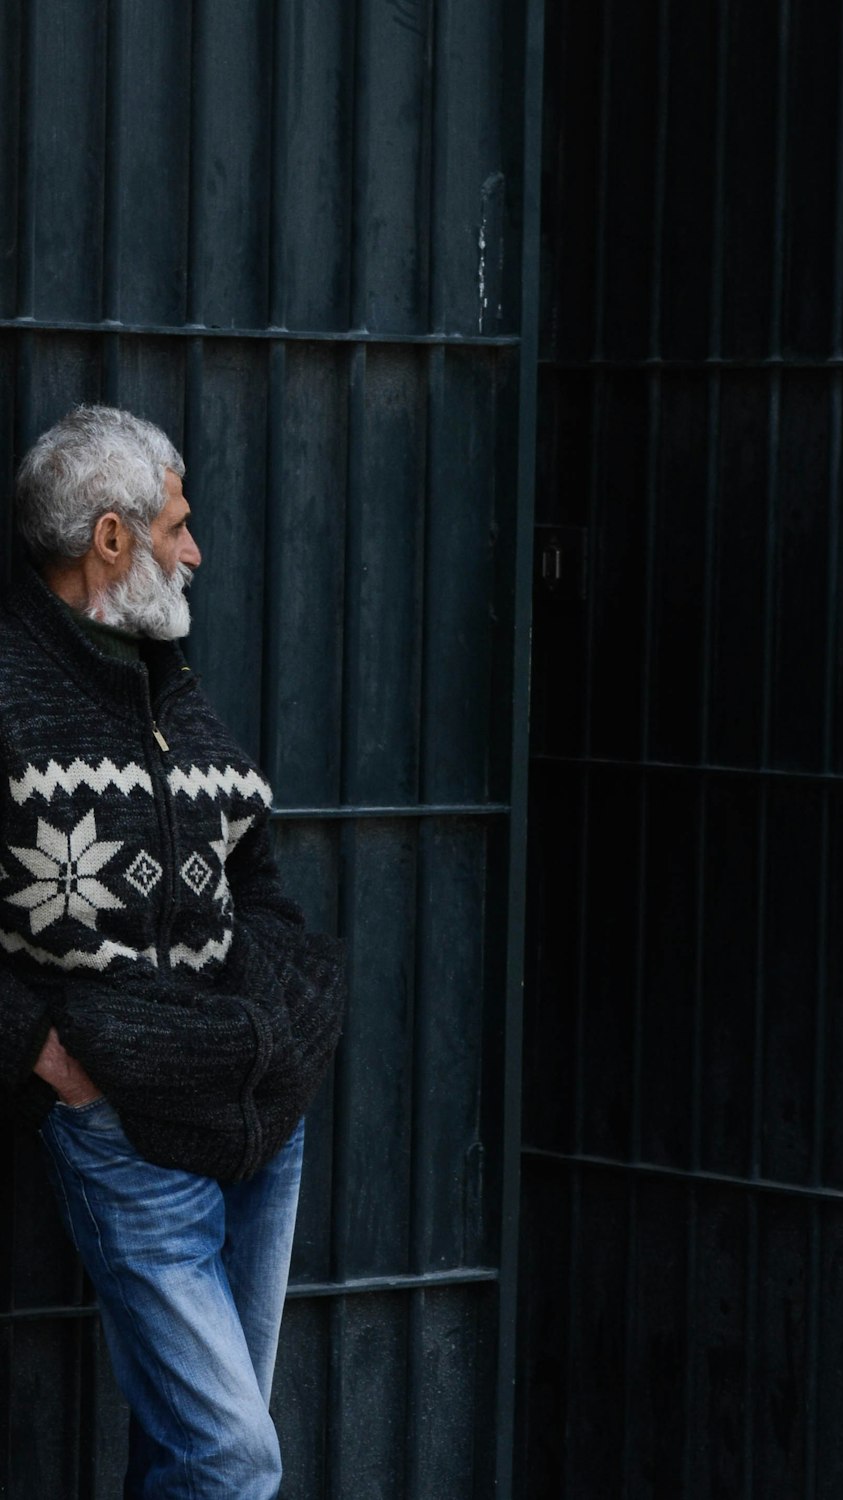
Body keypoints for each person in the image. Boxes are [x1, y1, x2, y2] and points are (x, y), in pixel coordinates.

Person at [0, 405, 345, 1498]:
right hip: (123, 1131)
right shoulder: (11, 696)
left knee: (183, 1448)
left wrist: (283, 1020)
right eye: (177, 525)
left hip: (259, 1123)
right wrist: (46, 1054)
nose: (193, 551)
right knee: (232, 1457)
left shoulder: (171, 688)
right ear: (112, 538)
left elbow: (263, 889)